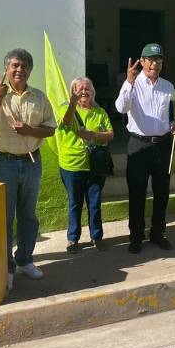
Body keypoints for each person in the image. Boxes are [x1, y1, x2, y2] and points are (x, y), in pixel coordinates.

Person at [0, 49, 55, 290]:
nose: (19, 70)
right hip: (3, 163)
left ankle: (24, 260)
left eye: (24, 66)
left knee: (28, 216)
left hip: (32, 161)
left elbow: (50, 129)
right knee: (4, 218)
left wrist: (29, 130)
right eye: (14, 65)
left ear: (30, 70)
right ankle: (7, 268)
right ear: (7, 69)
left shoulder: (40, 97)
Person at [114, 43, 175, 254]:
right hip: (138, 145)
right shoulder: (132, 83)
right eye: (150, 60)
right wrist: (129, 83)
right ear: (141, 62)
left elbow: (171, 114)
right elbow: (120, 108)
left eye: (158, 60)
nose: (154, 64)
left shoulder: (168, 86)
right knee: (137, 193)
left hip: (162, 145)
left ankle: (158, 233)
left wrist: (173, 125)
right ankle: (136, 236)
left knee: (162, 193)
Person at [56, 77, 114, 254]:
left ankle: (96, 236)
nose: (83, 91)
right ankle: (73, 239)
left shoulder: (100, 111)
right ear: (73, 92)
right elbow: (66, 122)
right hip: (72, 165)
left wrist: (94, 135)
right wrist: (73, 102)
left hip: (95, 165)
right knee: (75, 203)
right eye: (79, 89)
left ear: (93, 92)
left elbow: (110, 134)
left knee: (95, 203)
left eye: (87, 88)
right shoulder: (66, 108)